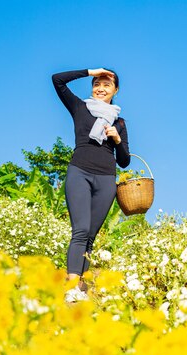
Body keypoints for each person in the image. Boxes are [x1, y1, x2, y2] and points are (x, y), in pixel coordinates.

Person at [52, 68, 130, 295]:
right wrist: (90, 72)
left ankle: (81, 288)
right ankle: (71, 286)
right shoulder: (80, 107)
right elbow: (57, 80)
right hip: (80, 172)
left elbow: (124, 161)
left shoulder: (120, 122)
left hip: (106, 179)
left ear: (115, 90)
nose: (101, 88)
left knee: (90, 236)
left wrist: (116, 139)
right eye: (97, 83)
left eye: (107, 84)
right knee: (81, 230)